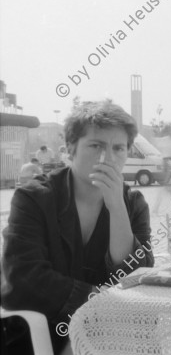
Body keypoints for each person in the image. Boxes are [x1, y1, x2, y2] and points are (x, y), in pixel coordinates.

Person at [1, 100, 154, 354]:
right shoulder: (34, 199)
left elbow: (136, 279)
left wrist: (116, 208)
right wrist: (98, 303)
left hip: (112, 330)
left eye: (119, 148)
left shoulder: (133, 204)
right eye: (96, 146)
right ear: (70, 149)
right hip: (42, 331)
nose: (108, 157)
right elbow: (23, 276)